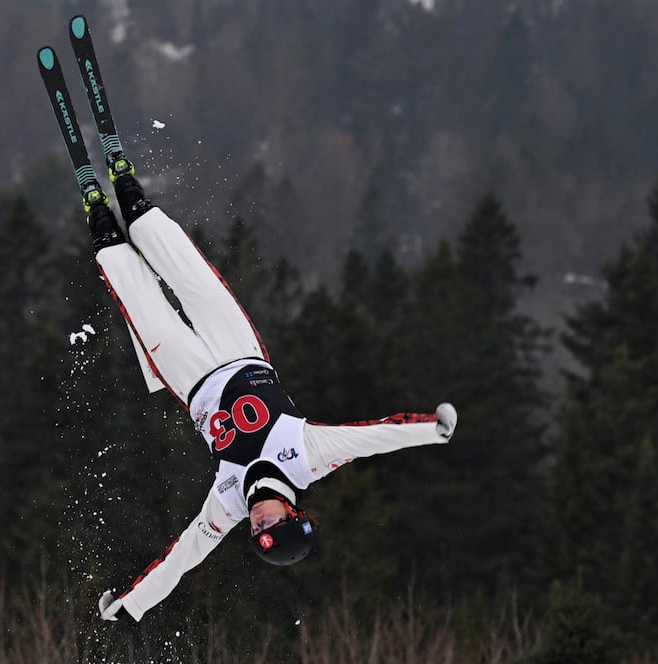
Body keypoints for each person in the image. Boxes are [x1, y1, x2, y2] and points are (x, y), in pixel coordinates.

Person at [87, 157, 458, 623]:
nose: (259, 520)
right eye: (272, 524)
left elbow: (183, 558)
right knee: (190, 276)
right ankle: (134, 202)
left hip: (191, 378)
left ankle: (103, 228)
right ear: (293, 512)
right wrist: (434, 429)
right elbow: (374, 436)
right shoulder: (308, 457)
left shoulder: (226, 504)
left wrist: (129, 605)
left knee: (142, 301)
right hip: (239, 350)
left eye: (258, 528)